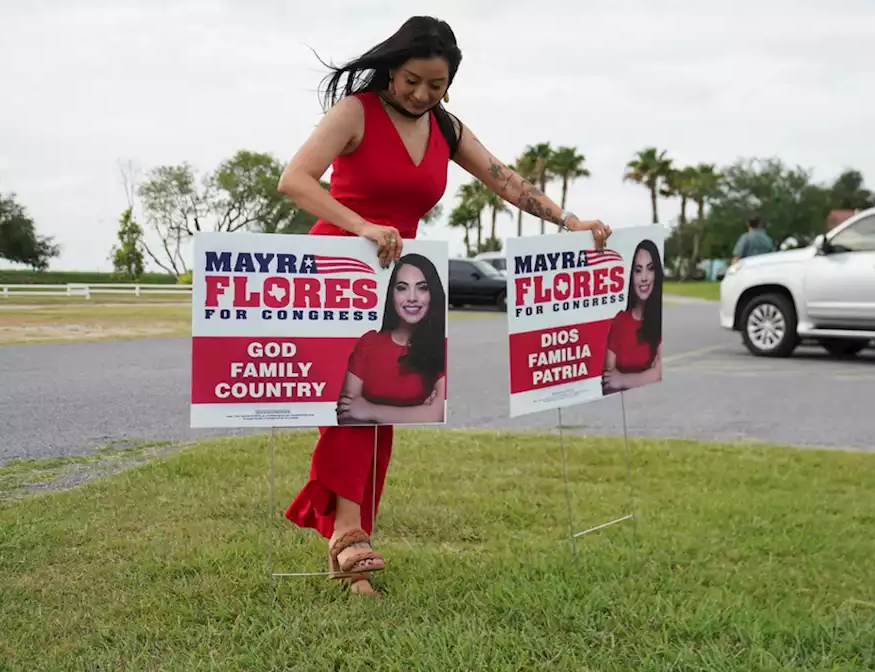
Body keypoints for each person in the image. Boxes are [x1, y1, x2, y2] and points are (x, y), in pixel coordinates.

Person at [276, 15, 613, 598]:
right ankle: (350, 538)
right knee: (361, 400)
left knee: (386, 408)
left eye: (436, 86)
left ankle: (348, 541)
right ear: (391, 69)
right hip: (342, 263)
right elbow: (295, 180)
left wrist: (568, 221)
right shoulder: (356, 111)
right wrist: (361, 225)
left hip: (404, 274)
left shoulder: (446, 129)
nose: (421, 95)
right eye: (412, 81)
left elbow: (505, 180)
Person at [336, 253, 447, 426]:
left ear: (433, 294)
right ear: (392, 295)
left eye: (422, 288)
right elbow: (347, 414)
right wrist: (417, 413)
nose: (412, 297)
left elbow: (437, 414)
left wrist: (369, 410)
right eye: (402, 288)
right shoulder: (369, 343)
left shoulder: (442, 347)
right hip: (365, 441)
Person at [601, 239, 663, 394]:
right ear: (632, 276)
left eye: (650, 269)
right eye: (638, 270)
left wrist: (623, 379)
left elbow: (660, 373)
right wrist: (647, 375)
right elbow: (609, 381)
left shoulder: (662, 319)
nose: (644, 277)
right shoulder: (620, 321)